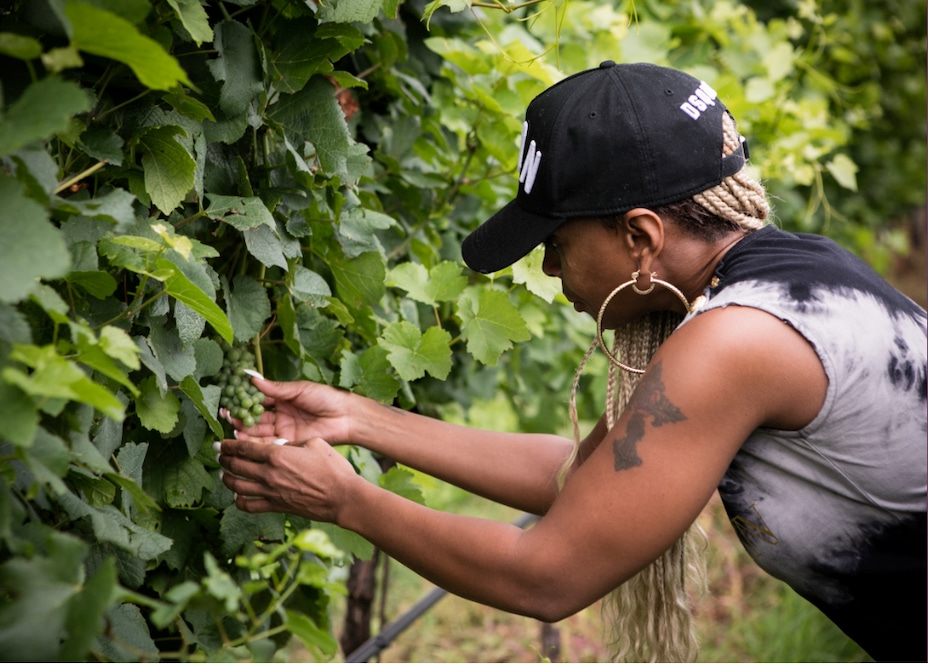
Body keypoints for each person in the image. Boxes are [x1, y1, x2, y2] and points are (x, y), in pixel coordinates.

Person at [215, 61, 927, 662]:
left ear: (641, 237)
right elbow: (582, 482)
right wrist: (359, 419)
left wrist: (346, 500)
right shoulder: (784, 279)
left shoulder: (733, 340)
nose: (551, 269)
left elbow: (546, 576)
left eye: (556, 242)